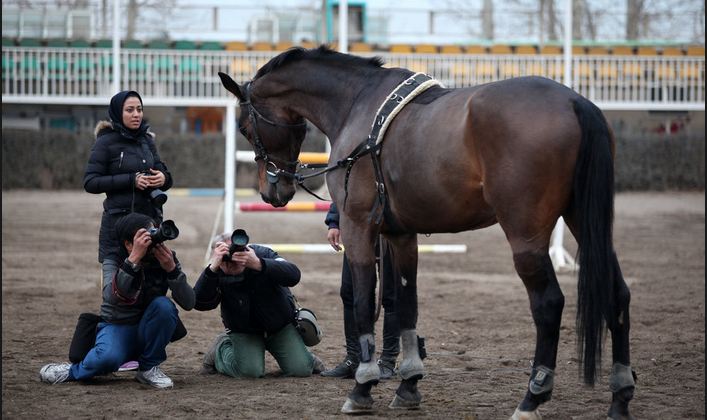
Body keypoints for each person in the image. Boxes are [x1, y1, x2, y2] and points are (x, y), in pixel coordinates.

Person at [39, 213, 195, 389]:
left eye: (152, 232)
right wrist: (133, 261)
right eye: (142, 237)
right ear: (128, 244)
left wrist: (172, 270)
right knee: (106, 359)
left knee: (164, 306)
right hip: (118, 325)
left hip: (148, 328)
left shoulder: (165, 259)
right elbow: (111, 297)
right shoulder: (113, 260)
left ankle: (148, 369)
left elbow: (189, 303)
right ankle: (72, 371)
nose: (151, 240)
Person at [196, 231, 325, 378]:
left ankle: (303, 358)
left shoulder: (262, 254)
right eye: (228, 253)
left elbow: (294, 275)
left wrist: (258, 264)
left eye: (238, 251)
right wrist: (212, 269)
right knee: (250, 373)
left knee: (301, 370)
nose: (234, 259)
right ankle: (220, 349)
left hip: (279, 325)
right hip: (244, 330)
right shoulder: (217, 268)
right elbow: (200, 303)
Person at [83, 90, 173, 290]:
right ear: (117, 113)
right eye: (130, 110)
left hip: (149, 225)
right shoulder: (105, 142)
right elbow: (90, 182)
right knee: (114, 291)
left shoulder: (147, 140)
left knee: (151, 290)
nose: (136, 114)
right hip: (117, 229)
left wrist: (163, 178)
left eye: (139, 109)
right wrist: (131, 180)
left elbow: (163, 172)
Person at [320, 203, 400, 379]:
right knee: (349, 292)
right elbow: (344, 183)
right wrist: (334, 222)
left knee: (391, 295)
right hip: (357, 229)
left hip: (392, 230)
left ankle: (388, 359)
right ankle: (354, 358)